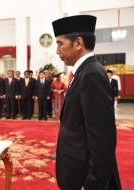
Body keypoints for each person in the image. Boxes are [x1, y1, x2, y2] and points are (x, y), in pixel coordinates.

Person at [52, 15, 121, 190]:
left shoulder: (91, 74)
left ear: (78, 43)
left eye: (60, 43)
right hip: (75, 168)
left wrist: (93, 183)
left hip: (84, 177)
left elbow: (102, 138)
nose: (57, 50)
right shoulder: (83, 71)